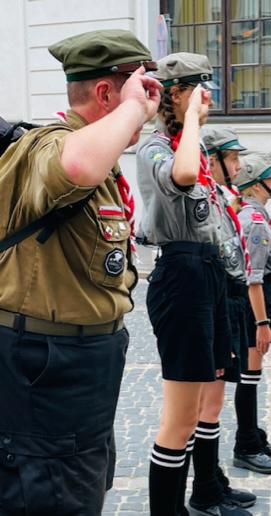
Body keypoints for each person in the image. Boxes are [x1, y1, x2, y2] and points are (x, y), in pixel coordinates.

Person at [0, 29, 161, 515]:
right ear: (106, 93)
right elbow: (74, 168)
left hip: (85, 363)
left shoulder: (102, 157)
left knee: (84, 484)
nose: (149, 104)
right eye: (141, 88)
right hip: (45, 364)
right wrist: (133, 110)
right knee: (51, 495)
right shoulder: (48, 145)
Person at [136, 53, 250, 516]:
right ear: (176, 94)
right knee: (179, 418)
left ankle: (206, 489)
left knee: (208, 396)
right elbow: (182, 178)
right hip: (182, 277)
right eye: (201, 90)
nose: (208, 99)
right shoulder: (157, 148)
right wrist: (191, 124)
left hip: (209, 273)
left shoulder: (191, 145)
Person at [186, 125, 258, 512]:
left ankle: (213, 481)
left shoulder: (220, 197)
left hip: (228, 297)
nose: (239, 165)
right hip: (214, 298)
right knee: (206, 406)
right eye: (232, 158)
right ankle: (205, 491)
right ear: (210, 161)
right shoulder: (203, 197)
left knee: (212, 404)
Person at [232, 152, 271, 475]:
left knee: (251, 375)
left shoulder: (255, 214)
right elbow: (252, 278)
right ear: (256, 185)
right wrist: (262, 323)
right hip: (255, 302)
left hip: (259, 299)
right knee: (249, 376)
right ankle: (246, 446)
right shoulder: (254, 221)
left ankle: (253, 434)